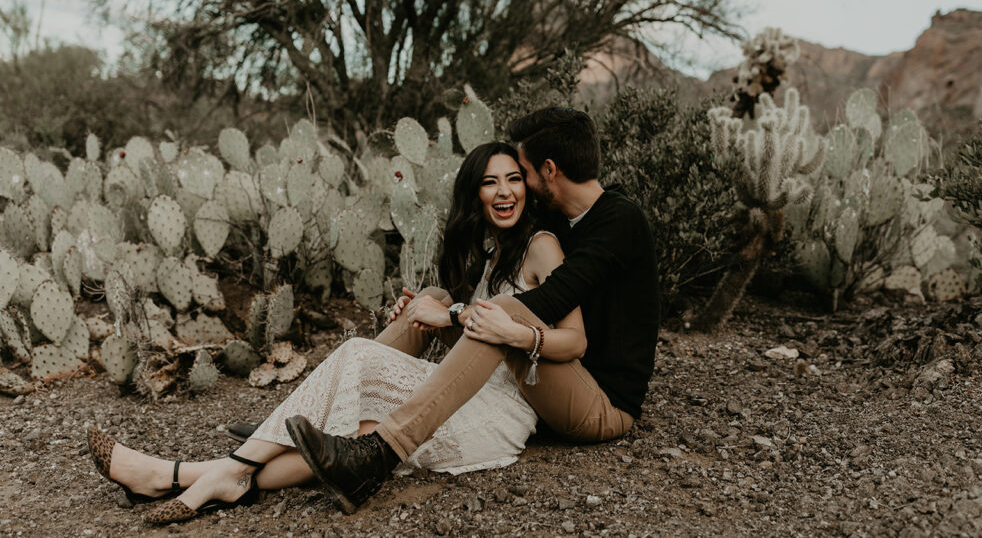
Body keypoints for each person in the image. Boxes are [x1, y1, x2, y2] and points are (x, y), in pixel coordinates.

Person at [86, 142, 586, 525]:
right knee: (359, 431)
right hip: (457, 390)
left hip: (501, 411)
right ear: (473, 195)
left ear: (528, 185)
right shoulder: (491, 253)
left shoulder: (542, 247)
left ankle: (179, 474)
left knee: (358, 362)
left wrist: (461, 319)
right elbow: (476, 336)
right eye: (490, 182)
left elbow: (575, 342)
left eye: (514, 179)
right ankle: (213, 478)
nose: (505, 191)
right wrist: (432, 310)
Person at [286, 107, 660, 515]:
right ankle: (319, 419)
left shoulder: (619, 221)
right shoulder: (561, 217)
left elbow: (542, 303)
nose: (521, 185)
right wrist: (436, 304)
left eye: (524, 172)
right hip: (554, 379)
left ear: (549, 170)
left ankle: (378, 454)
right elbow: (499, 277)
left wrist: (452, 315)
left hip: (601, 404)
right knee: (434, 296)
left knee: (496, 313)